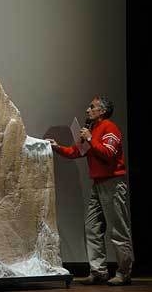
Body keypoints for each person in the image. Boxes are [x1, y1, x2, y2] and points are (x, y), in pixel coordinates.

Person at [47, 95, 133, 286]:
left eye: (91, 107)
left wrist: (90, 138)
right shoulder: (92, 130)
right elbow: (77, 152)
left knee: (118, 230)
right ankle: (98, 271)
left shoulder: (110, 128)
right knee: (92, 228)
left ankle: (123, 273)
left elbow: (108, 154)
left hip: (113, 183)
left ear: (102, 111)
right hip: (98, 184)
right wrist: (57, 147)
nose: (87, 110)